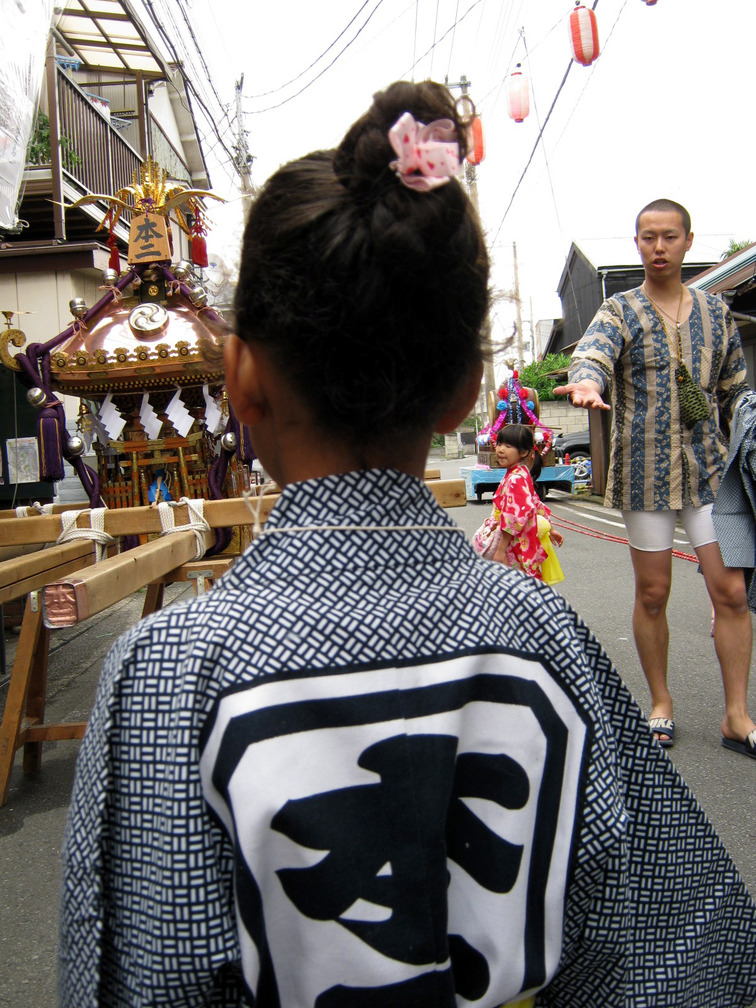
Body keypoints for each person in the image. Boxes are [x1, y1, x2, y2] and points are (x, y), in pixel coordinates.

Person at [59, 92, 756, 1007]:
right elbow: (681, 958)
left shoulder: (161, 676)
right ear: (467, 393)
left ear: (239, 382)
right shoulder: (546, 639)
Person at [555, 198, 756, 757]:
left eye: (669, 236)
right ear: (637, 243)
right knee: (653, 591)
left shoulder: (717, 314)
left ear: (689, 241)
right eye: (648, 237)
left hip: (712, 473)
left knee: (733, 592)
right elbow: (593, 353)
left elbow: (737, 388)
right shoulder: (618, 309)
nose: (658, 246)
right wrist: (588, 381)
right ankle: (661, 702)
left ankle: (737, 716)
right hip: (644, 473)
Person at [487, 424, 562, 577]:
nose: (500, 450)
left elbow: (512, 517)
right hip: (522, 542)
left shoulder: (515, 479)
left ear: (523, 452)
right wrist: (550, 528)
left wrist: (500, 550)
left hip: (513, 545)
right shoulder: (521, 473)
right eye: (499, 444)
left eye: (508, 446)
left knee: (513, 588)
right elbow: (535, 503)